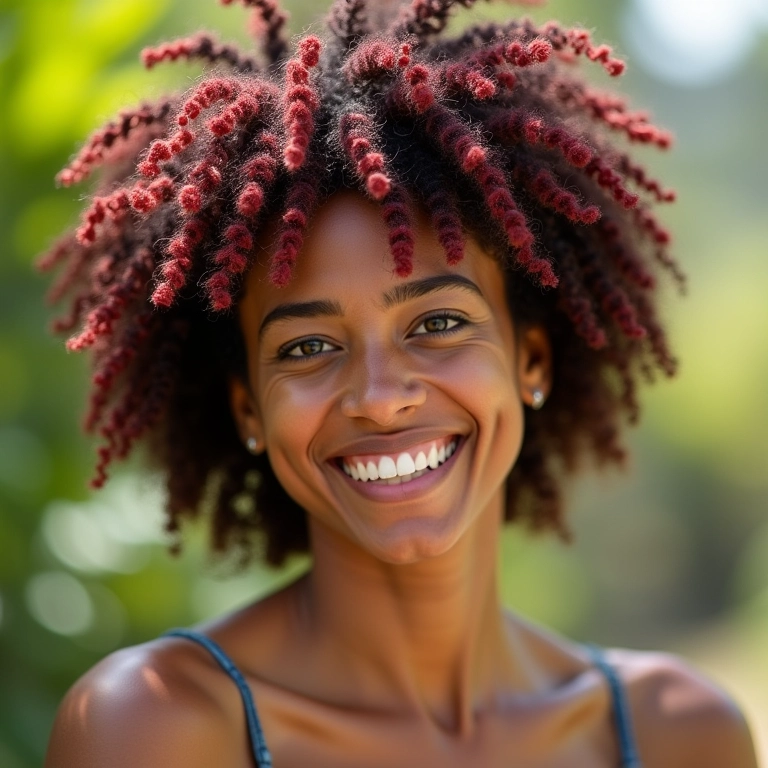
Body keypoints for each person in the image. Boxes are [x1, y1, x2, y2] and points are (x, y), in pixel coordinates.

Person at [40, 0, 759, 766]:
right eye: (308, 346)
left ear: (531, 361)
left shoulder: (678, 733)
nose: (381, 398)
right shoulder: (152, 726)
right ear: (249, 409)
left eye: (438, 323)